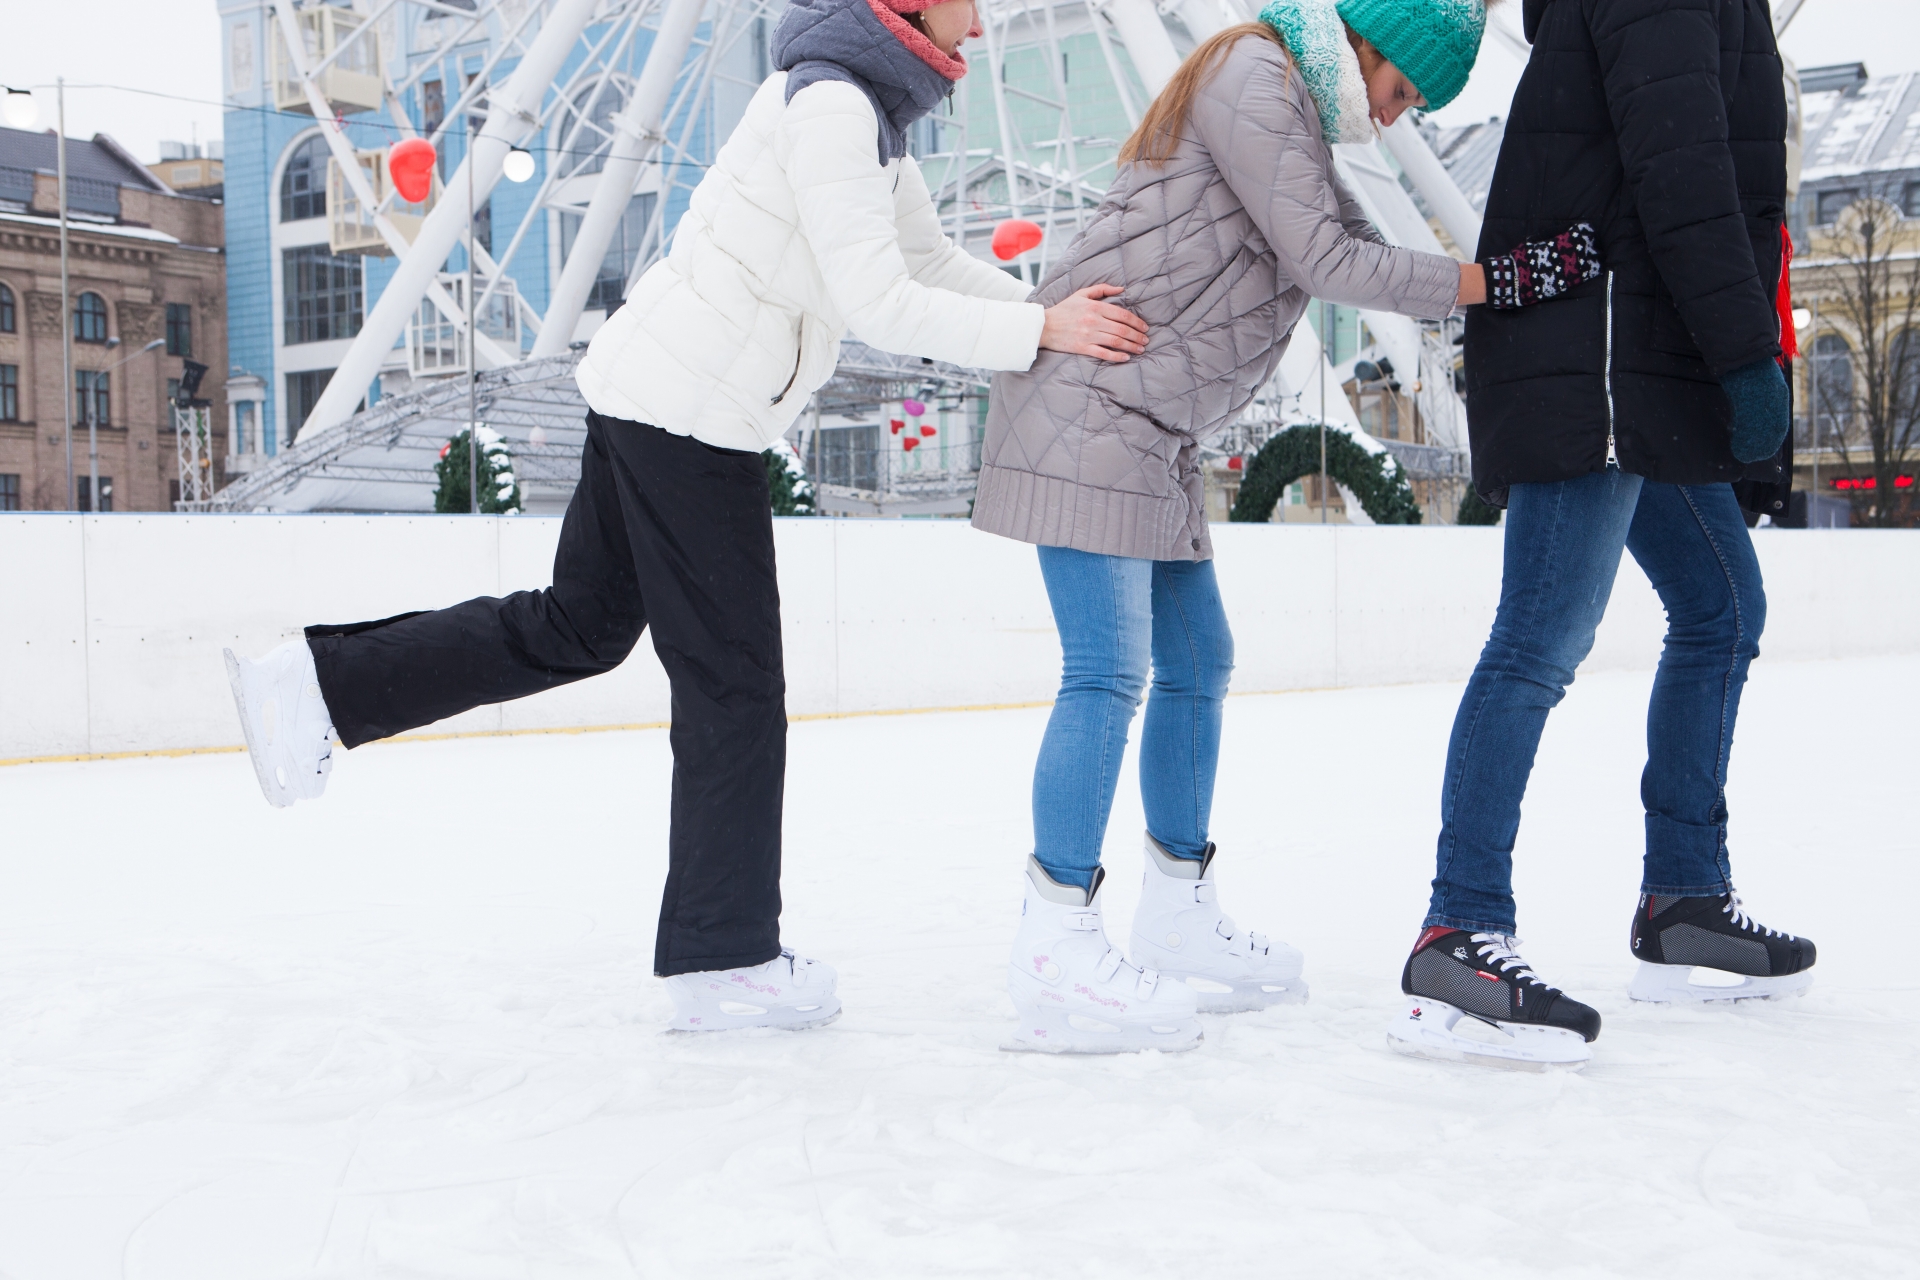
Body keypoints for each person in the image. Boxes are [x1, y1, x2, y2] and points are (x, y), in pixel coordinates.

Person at [222, 0, 1148, 1035]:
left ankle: (310, 684)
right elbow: (881, 301)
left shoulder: (863, 110)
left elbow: (925, 263)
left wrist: (1052, 317)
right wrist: (1036, 331)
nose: (985, 26)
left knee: (577, 627)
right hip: (692, 409)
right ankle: (724, 954)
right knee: (736, 684)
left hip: (654, 386)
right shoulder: (835, 107)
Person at [972, 0, 1493, 1052]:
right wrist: (1480, 285)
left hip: (1147, 423)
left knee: (1199, 656)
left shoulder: (1285, 102)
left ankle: (1174, 904)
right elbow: (1333, 262)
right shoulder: (1257, 77)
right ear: (1372, 49)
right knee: (1107, 673)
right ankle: (1054, 936)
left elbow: (1335, 235)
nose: (1394, 122)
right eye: (1401, 95)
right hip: (1092, 403)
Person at [1387, 0, 1815, 1073]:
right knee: (1540, 638)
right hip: (1600, 355)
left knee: (1722, 607)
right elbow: (1683, 170)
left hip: (1637, 355)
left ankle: (1682, 896)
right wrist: (1745, 354)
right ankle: (1457, 927)